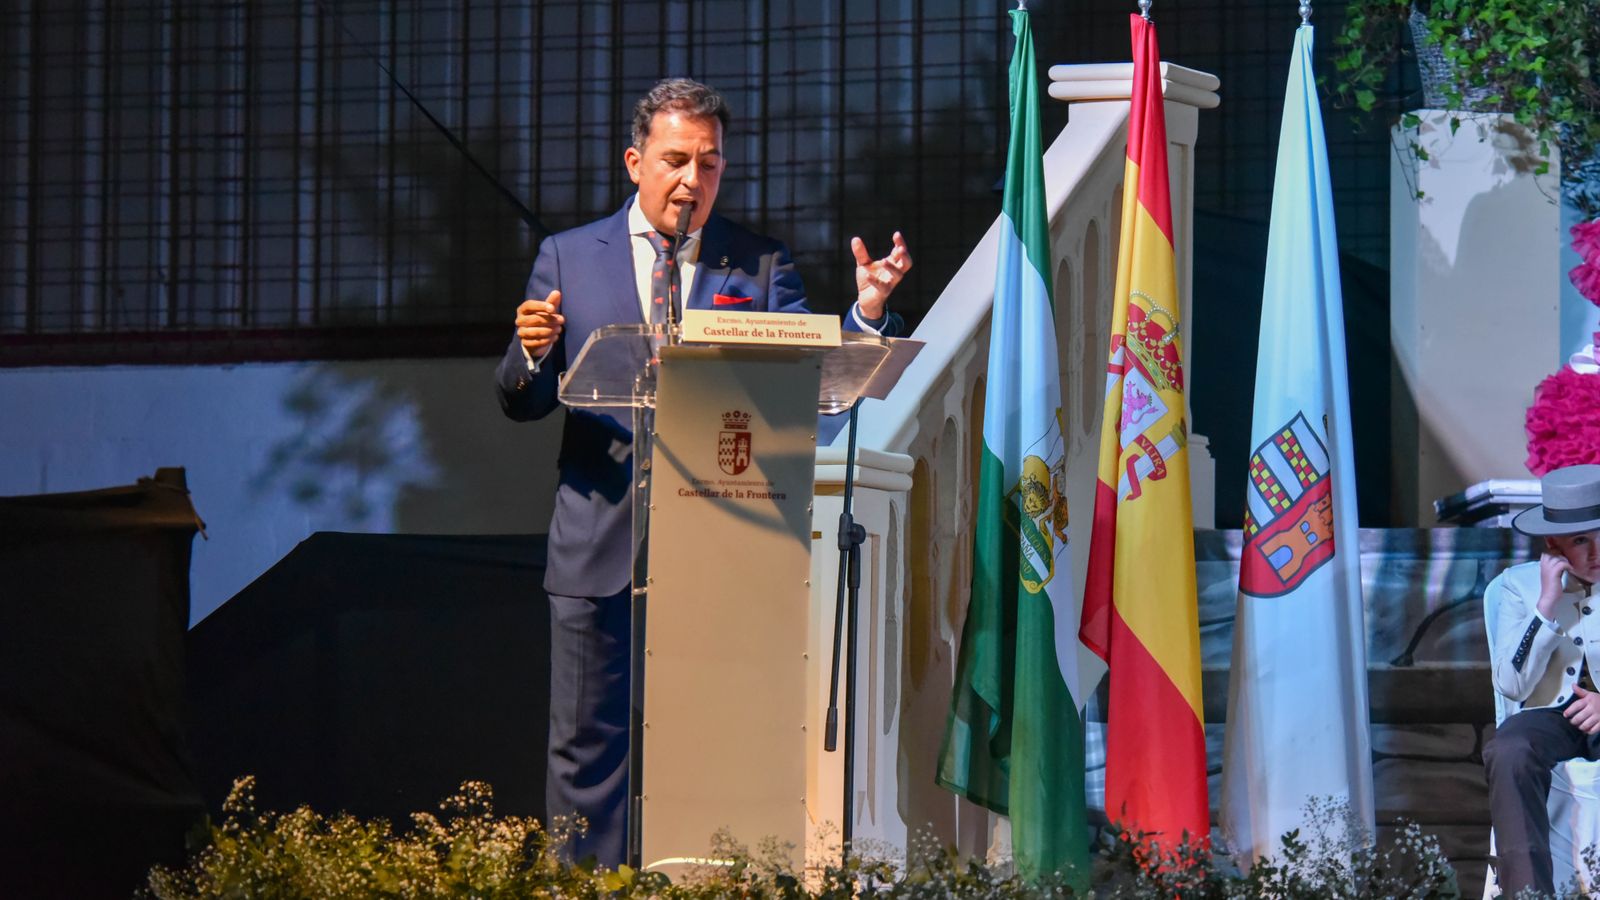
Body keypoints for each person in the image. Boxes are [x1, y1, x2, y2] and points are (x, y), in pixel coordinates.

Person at [493, 77, 912, 866]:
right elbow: (523, 401)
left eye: (710, 164)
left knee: (715, 748)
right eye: (676, 160)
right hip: (602, 546)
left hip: (729, 551)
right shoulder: (567, 257)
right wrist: (533, 352)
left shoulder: (758, 263)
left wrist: (864, 317)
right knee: (588, 754)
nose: (693, 180)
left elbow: (810, 392)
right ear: (635, 162)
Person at [1484, 463, 1600, 897]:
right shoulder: (1517, 586)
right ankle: (1528, 894)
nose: (1596, 552)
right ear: (1553, 545)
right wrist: (1546, 604)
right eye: (1581, 540)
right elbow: (1511, 685)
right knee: (1509, 749)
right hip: (1554, 716)